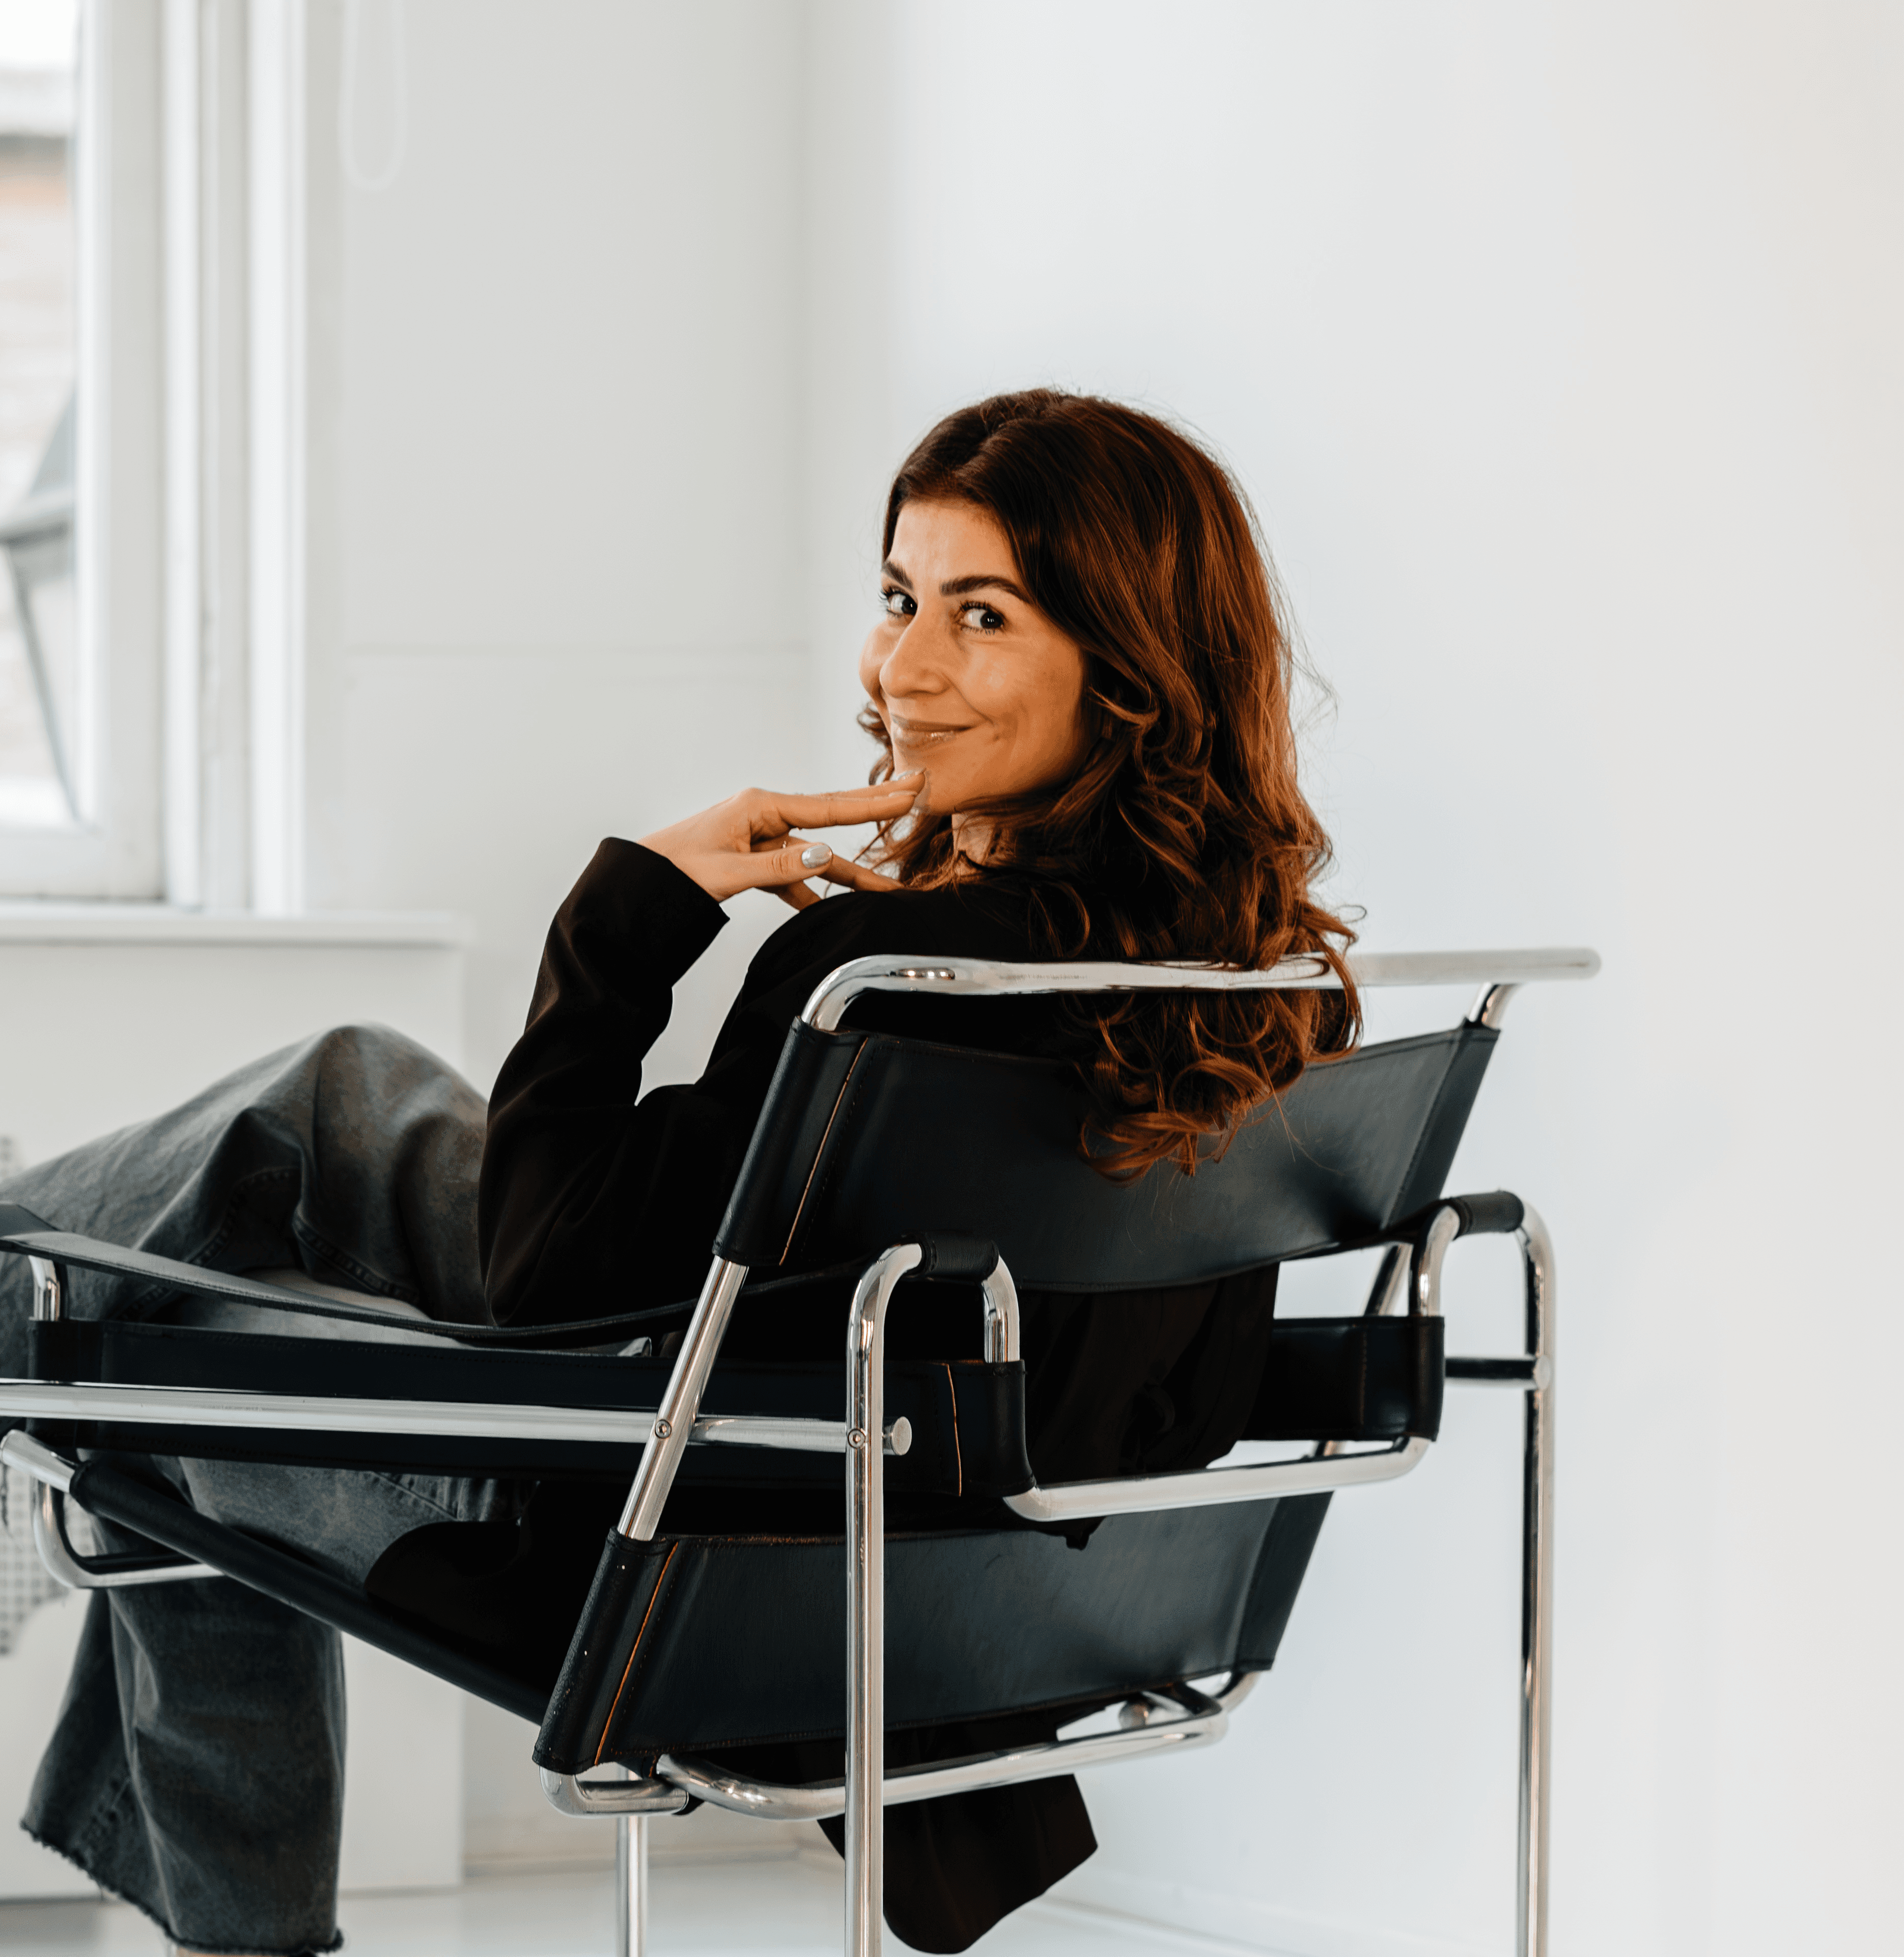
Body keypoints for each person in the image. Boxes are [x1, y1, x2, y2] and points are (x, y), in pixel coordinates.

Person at [0, 390, 1358, 1955]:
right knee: (344, 1087)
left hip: (653, 1544)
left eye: (979, 615)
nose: (903, 667)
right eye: (900, 598)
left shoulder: (878, 978)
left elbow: (546, 1279)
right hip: (909, 1544)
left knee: (147, 1365)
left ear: (1131, 670)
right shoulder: (1251, 991)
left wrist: (628, 913)